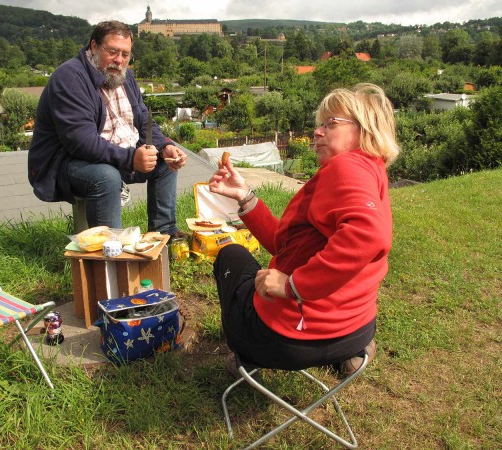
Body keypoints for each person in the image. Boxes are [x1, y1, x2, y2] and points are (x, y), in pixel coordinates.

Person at [209, 83, 399, 376]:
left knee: (231, 255)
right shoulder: (373, 170)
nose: (318, 131)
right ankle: (349, 357)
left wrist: (293, 286)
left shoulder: (346, 167)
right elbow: (286, 245)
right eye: (319, 124)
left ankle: (249, 355)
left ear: (364, 130)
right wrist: (244, 196)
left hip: (289, 340)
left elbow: (369, 234)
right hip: (355, 331)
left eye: (331, 123)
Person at [28, 20, 187, 237]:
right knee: (106, 176)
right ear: (93, 46)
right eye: (112, 52)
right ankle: (113, 249)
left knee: (166, 162)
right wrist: (131, 159)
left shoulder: (125, 76)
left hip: (115, 153)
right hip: (64, 162)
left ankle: (164, 233)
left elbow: (143, 119)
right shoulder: (70, 78)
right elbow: (81, 143)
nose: (119, 61)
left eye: (125, 54)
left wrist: (165, 146)